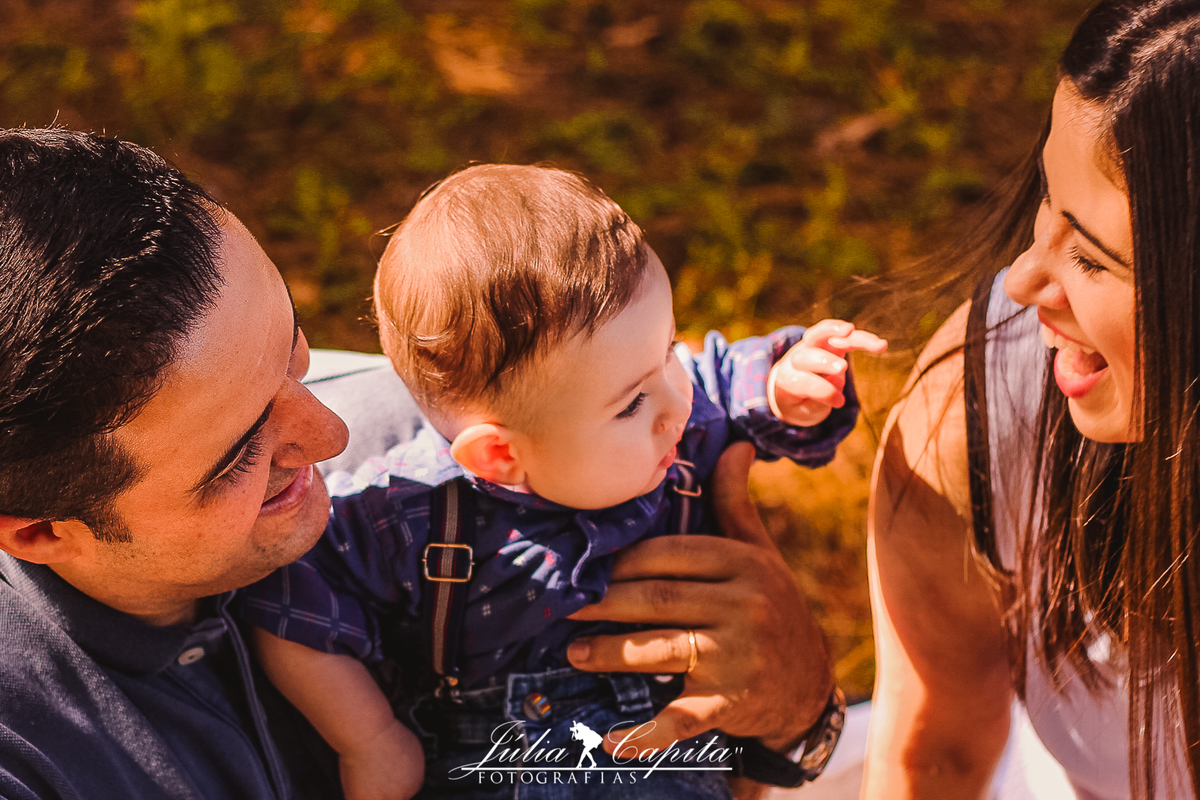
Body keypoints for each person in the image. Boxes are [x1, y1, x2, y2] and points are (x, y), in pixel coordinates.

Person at [0, 129, 845, 799]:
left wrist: (801, 714)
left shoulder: (476, 433)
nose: (333, 433)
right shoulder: (34, 755)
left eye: (295, 354)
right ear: (39, 531)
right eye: (238, 455)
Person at [240, 164, 887, 800]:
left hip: (661, 748)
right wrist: (370, 738)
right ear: (499, 455)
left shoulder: (678, 416)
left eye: (666, 349)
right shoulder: (404, 515)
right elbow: (293, 604)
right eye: (631, 403)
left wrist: (786, 385)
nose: (676, 405)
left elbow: (732, 378)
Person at [864, 1, 1200, 798]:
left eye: (1091, 258)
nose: (1022, 281)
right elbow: (932, 756)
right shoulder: (983, 399)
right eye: (1049, 198)